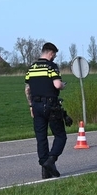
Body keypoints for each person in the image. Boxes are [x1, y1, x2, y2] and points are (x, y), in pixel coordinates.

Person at [24, 42, 67, 178]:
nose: (54, 57)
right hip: (51, 105)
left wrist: (31, 106)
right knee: (60, 135)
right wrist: (63, 85)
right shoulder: (51, 66)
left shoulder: (32, 68)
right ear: (51, 53)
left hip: (36, 105)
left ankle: (45, 169)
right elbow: (57, 85)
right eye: (54, 55)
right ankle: (51, 160)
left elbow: (27, 89)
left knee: (41, 137)